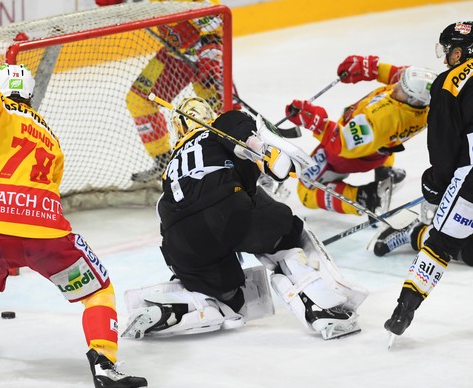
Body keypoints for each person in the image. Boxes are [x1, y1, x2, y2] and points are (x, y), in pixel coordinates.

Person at [0, 64, 147, 388]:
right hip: (45, 236)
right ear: (31, 94)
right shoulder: (50, 137)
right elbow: (41, 193)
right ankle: (103, 364)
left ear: (0, 87)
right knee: (98, 291)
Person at [120, 97, 368, 341]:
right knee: (288, 235)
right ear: (208, 115)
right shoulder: (222, 123)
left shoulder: (171, 166)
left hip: (180, 243)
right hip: (226, 213)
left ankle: (184, 304)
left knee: (230, 299)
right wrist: (267, 154)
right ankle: (321, 309)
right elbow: (249, 142)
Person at [384, 21, 473, 339]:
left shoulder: (449, 82)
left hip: (470, 177)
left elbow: (443, 144)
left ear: (460, 52)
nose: (446, 57)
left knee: (443, 242)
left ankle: (403, 309)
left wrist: (436, 182)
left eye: (448, 51)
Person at [284, 56, 437, 217]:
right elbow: (400, 76)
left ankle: (365, 197)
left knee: (306, 192)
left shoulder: (382, 120)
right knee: (384, 143)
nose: (396, 86)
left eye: (401, 88)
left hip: (349, 157)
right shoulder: (425, 103)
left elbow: (343, 144)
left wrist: (315, 122)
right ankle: (385, 171)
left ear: (414, 100)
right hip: (379, 151)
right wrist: (372, 68)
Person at [94, 0, 227, 182]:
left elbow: (216, 23)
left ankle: (245, 155)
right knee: (139, 100)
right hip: (176, 55)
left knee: (223, 108)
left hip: (207, 54)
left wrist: (210, 60)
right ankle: (164, 161)